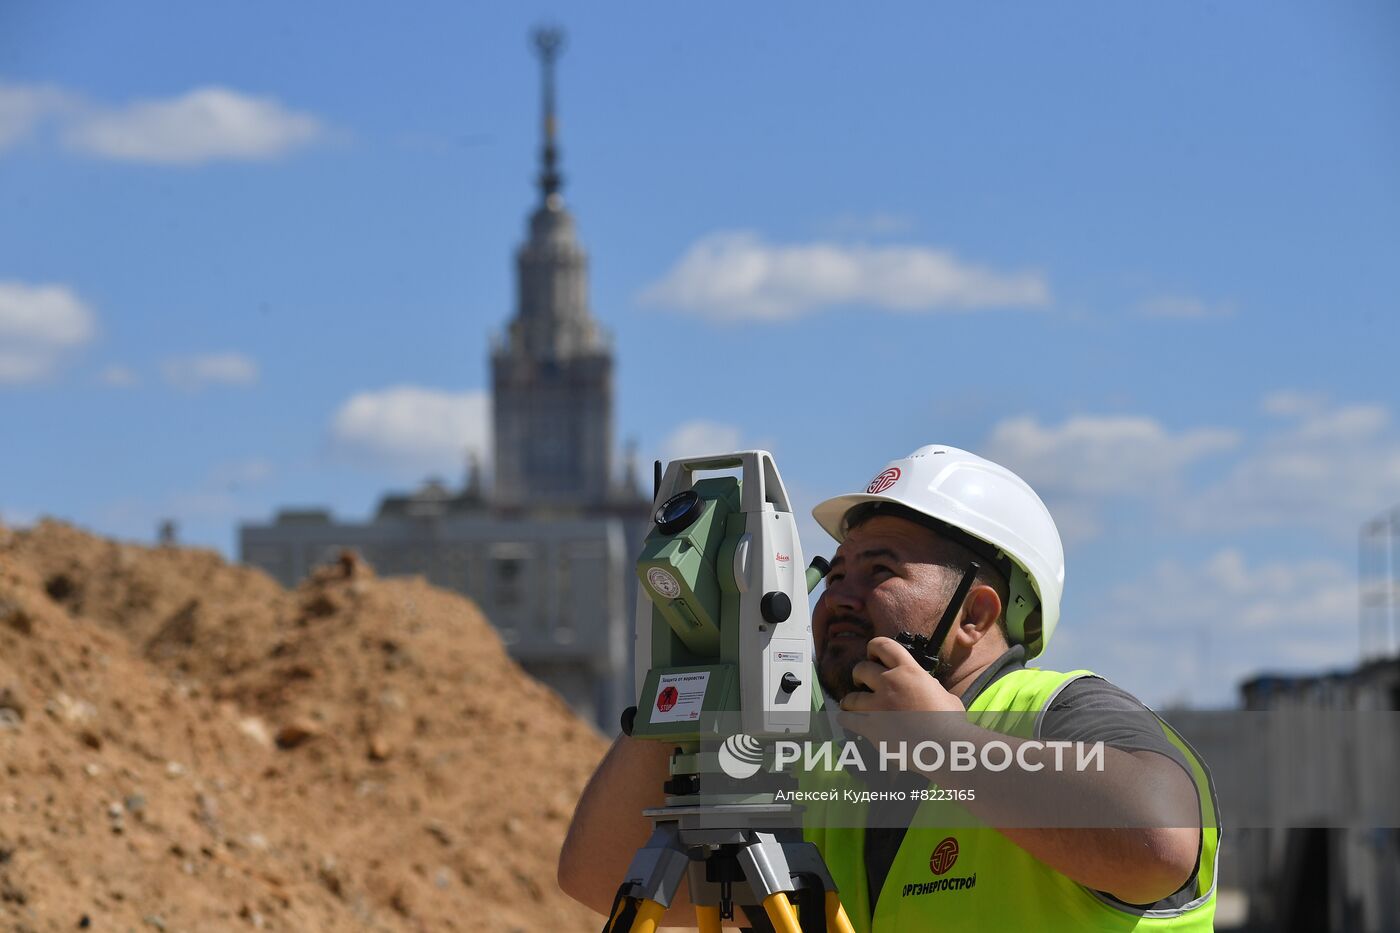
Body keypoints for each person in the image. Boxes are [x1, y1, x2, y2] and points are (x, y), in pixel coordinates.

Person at [559, 445, 1219, 931]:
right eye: (834, 574)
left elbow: (1159, 844)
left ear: (975, 614)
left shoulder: (1054, 713)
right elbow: (601, 875)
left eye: (879, 572)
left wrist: (943, 743)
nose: (838, 597)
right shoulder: (828, 766)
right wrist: (701, 663)